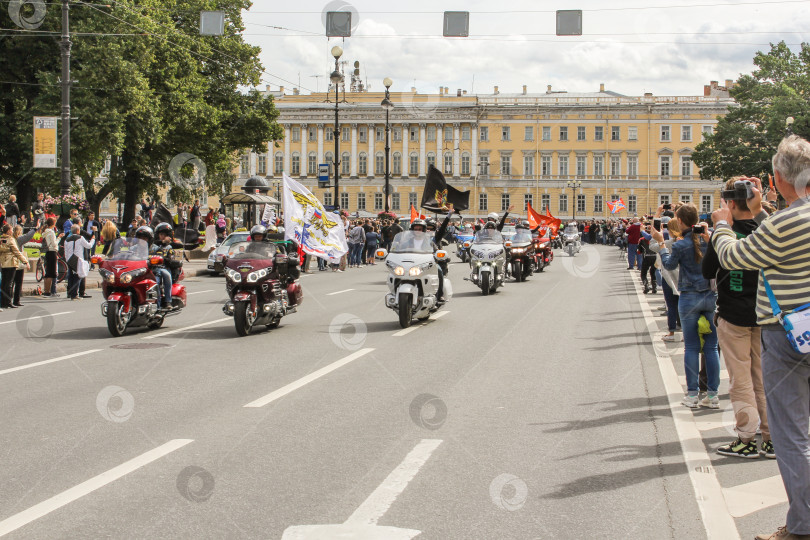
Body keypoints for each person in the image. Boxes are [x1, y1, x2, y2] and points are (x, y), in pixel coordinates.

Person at [710, 136, 810, 540]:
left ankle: (803, 526)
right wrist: (763, 209)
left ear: (777, 177)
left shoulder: (785, 223)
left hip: (788, 337)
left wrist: (721, 224)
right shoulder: (787, 221)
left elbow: (735, 257)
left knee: (792, 435)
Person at [703, 177, 772, 460]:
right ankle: (771, 439)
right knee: (762, 378)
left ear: (730, 203)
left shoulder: (725, 233)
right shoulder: (766, 228)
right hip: (765, 313)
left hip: (733, 313)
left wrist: (718, 231)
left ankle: (745, 438)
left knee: (740, 379)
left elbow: (708, 270)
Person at [653, 204, 721, 409]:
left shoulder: (681, 245)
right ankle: (713, 394)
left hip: (689, 296)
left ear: (680, 221)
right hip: (710, 296)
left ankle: (692, 395)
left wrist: (663, 245)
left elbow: (670, 265)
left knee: (691, 347)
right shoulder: (708, 241)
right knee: (711, 347)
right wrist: (710, 238)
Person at [0, 224, 28, 309]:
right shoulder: (10, 239)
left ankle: (3, 302)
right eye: (11, 230)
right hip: (11, 263)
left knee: (4, 283)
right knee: (9, 283)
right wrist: (25, 260)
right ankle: (8, 301)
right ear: (8, 231)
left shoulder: (1, 239)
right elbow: (16, 251)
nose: (12, 231)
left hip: (3, 263)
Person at [64, 224, 95, 300]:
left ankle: (71, 293)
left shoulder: (67, 239)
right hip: (78, 259)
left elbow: (66, 251)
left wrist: (67, 259)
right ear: (78, 231)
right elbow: (89, 246)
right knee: (78, 277)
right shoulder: (80, 238)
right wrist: (93, 239)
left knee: (71, 277)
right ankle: (74, 295)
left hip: (69, 259)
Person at [150, 223, 178, 309]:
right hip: (152, 268)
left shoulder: (169, 247)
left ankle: (167, 301)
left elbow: (171, 259)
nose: (163, 237)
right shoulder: (153, 246)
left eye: (165, 235)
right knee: (155, 284)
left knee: (167, 276)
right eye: (161, 234)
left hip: (163, 267)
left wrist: (166, 258)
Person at [11, 225, 35, 307]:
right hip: (18, 263)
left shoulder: (12, 239)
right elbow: (28, 236)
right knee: (18, 283)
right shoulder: (18, 239)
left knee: (11, 283)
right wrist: (35, 228)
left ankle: (9, 299)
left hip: (12, 263)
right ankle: (16, 300)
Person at [41, 218, 60, 297]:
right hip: (52, 251)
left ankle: (46, 290)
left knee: (48, 272)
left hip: (48, 252)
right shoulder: (51, 232)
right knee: (52, 273)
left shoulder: (45, 231)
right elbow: (54, 243)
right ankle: (48, 291)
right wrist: (59, 238)